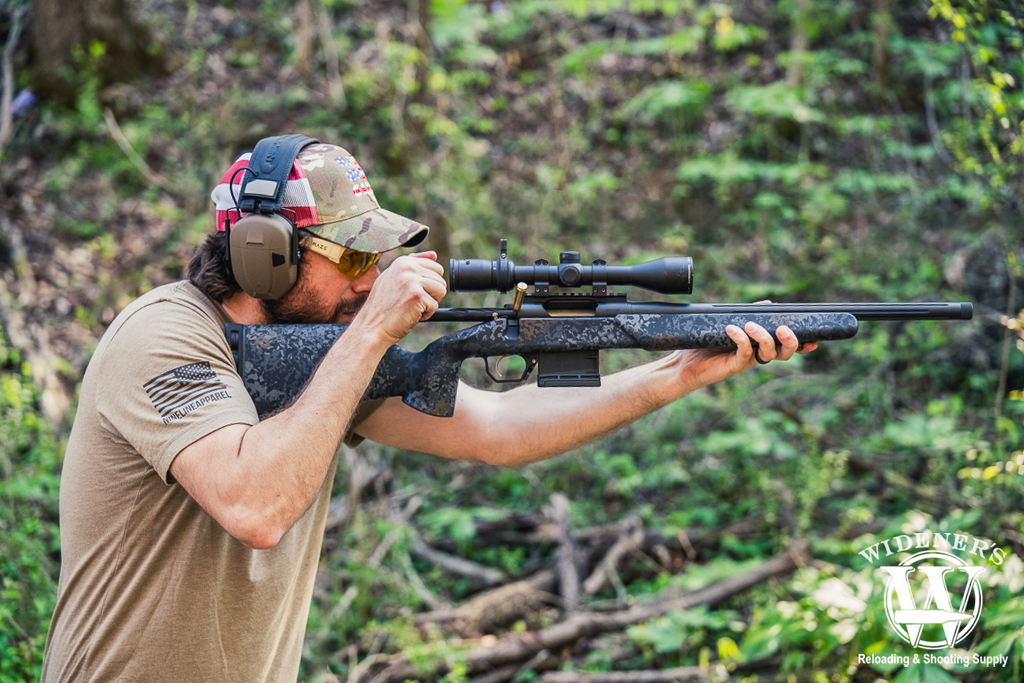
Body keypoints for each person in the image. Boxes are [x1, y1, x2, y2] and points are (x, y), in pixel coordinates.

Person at [41, 141, 815, 682]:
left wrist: (676, 372)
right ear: (262, 255)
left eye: (375, 258)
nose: (367, 279)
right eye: (350, 257)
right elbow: (255, 504)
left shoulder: (322, 356)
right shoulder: (161, 335)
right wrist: (373, 331)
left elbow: (498, 431)